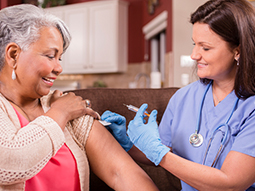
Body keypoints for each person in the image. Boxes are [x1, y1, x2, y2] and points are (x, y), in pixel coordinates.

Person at [0, 4, 159, 191]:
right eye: (50, 56)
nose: (59, 68)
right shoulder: (65, 108)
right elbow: (9, 163)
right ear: (13, 55)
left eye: (60, 58)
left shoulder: (70, 109)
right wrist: (60, 112)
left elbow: (121, 173)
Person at [101, 0, 255, 190]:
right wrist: (128, 143)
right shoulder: (184, 97)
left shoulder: (251, 108)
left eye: (205, 47)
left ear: (238, 50)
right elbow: (164, 152)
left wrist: (160, 154)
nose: (194, 55)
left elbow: (231, 183)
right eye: (194, 44)